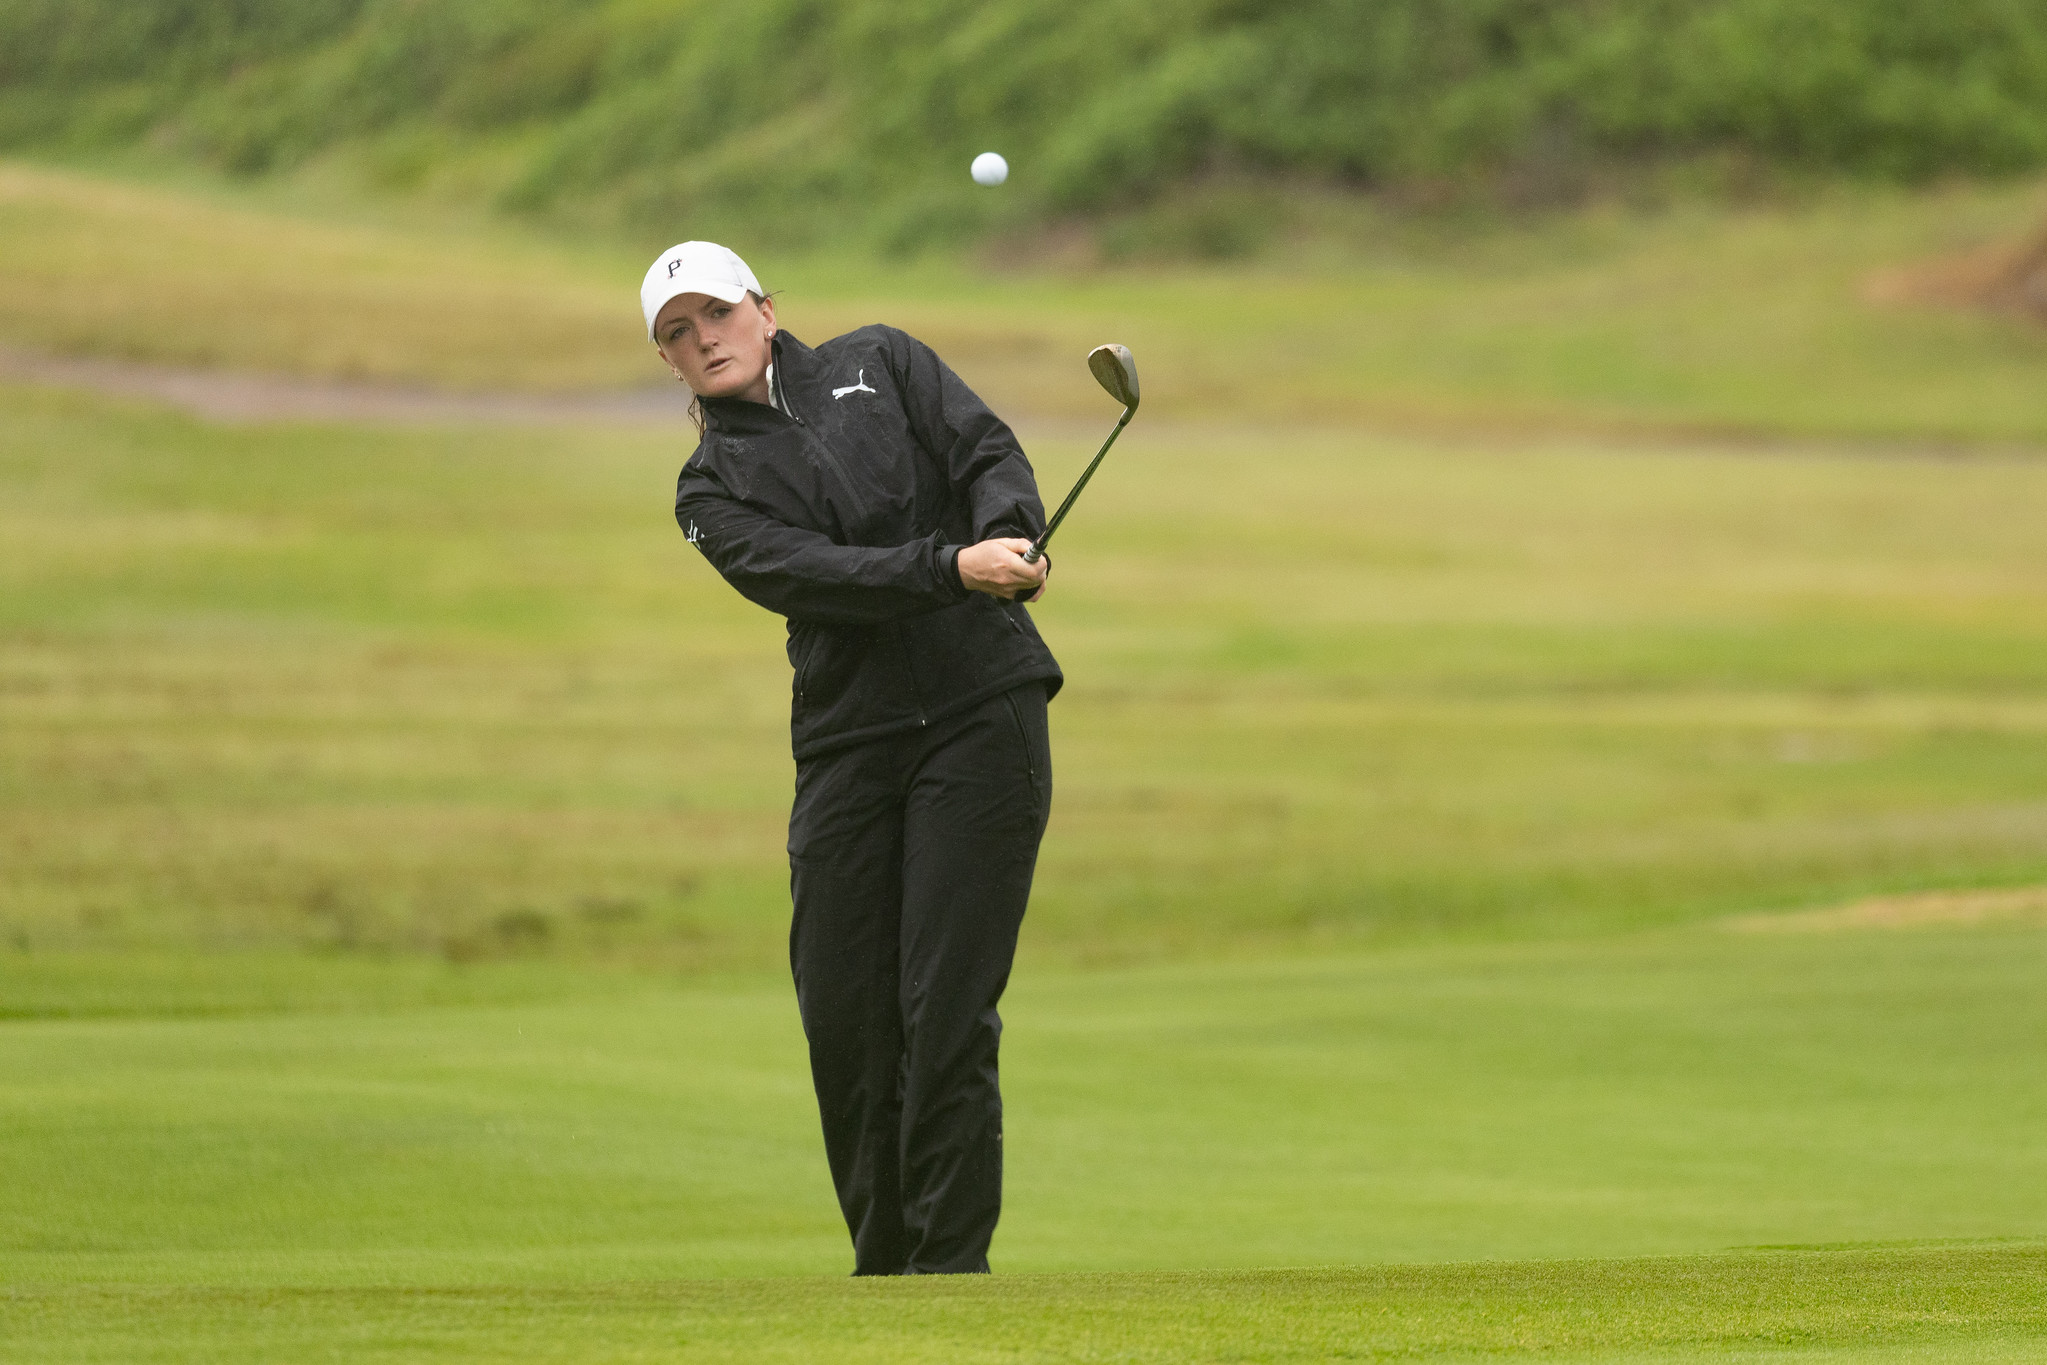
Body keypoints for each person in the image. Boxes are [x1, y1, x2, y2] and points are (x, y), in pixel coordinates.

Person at [646, 241, 1060, 1275]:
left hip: (978, 714)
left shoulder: (883, 359)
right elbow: (814, 575)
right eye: (677, 334)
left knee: (943, 1008)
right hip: (849, 746)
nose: (704, 340)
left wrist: (1008, 535)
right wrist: (949, 565)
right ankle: (886, 1275)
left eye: (716, 315)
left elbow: (985, 453)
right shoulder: (709, 490)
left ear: (764, 309)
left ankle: (946, 1276)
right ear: (669, 361)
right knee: (845, 1020)